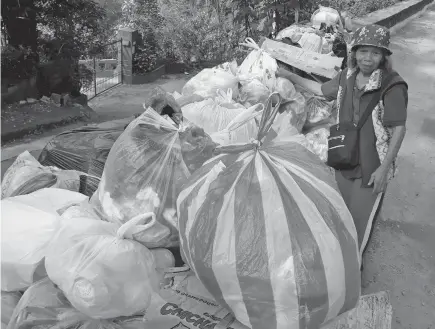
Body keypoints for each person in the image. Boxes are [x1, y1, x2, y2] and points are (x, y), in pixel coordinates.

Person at [276, 24, 408, 261]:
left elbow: (399, 128)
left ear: (384, 56)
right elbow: (319, 88)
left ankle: (353, 273)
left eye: (375, 53)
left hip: (371, 167)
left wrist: (384, 168)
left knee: (358, 225)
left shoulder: (392, 85)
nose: (368, 58)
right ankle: (337, 269)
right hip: (343, 160)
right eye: (363, 51)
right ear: (354, 52)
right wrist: (289, 76)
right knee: (339, 215)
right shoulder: (347, 77)